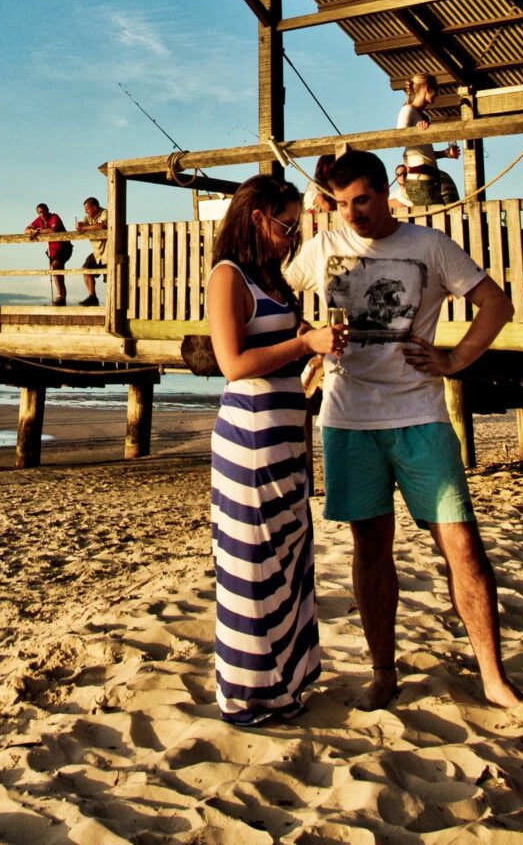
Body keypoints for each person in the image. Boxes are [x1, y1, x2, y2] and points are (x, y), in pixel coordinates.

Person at [287, 149, 523, 711]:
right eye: (342, 205)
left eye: (362, 200)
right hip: (347, 417)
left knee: (462, 545)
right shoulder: (322, 248)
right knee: (370, 547)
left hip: (420, 414)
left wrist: (456, 359)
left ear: (384, 193)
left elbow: (496, 303)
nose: (353, 214)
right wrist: (308, 335)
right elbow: (272, 298)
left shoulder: (429, 246)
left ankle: (493, 676)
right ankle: (384, 672)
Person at [205, 174, 341, 726]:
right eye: (288, 225)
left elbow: (279, 339)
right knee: (253, 565)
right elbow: (233, 364)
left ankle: (289, 678)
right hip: (251, 442)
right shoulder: (227, 277)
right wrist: (304, 343)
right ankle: (250, 696)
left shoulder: (272, 279)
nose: (293, 236)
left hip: (287, 438)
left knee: (289, 557)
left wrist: (308, 338)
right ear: (259, 218)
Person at [394, 75, 462, 210]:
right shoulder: (408, 110)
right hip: (420, 182)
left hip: (430, 180)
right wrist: (415, 131)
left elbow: (421, 152)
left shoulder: (424, 116)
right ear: (425, 87)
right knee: (441, 221)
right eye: (435, 89)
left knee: (441, 221)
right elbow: (399, 140)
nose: (437, 93)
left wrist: (444, 153)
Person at [30, 203, 73, 303]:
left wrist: (38, 232)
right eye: (39, 212)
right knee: (57, 272)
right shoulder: (39, 220)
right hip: (52, 251)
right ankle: (62, 298)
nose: (42, 214)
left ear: (48, 210)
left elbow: (54, 229)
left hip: (63, 248)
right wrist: (34, 230)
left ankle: (59, 295)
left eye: (44, 211)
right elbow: (26, 230)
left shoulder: (54, 217)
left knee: (55, 267)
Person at [74, 196, 108, 306]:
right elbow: (83, 224)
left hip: (109, 251)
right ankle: (92, 296)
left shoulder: (105, 213)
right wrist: (80, 225)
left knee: (111, 277)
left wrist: (84, 228)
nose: (86, 212)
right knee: (86, 269)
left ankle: (114, 302)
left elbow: (101, 225)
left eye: (87, 209)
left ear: (95, 207)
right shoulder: (88, 217)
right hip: (97, 252)